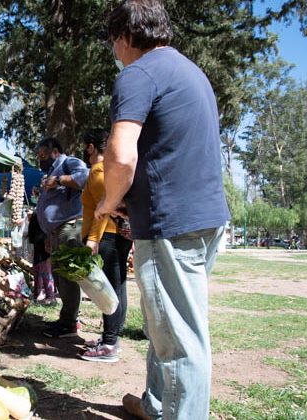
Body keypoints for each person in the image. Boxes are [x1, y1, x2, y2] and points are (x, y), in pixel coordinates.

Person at [95, 1, 230, 418]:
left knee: (179, 337)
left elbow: (120, 155)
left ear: (124, 38)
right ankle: (157, 404)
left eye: (113, 45)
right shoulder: (189, 71)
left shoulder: (138, 73)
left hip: (172, 224)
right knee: (166, 323)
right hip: (204, 217)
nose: (115, 54)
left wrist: (109, 202)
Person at [78, 128, 133, 363]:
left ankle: (109, 343)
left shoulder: (99, 172)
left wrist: (92, 240)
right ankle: (112, 339)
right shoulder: (108, 172)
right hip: (114, 237)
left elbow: (102, 210)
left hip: (106, 237)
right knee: (117, 288)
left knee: (108, 289)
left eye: (85, 146)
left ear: (91, 147)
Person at [34, 137, 89, 338]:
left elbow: (85, 177)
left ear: (54, 151)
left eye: (42, 154)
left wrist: (58, 180)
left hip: (70, 226)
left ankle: (70, 323)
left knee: (68, 276)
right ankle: (67, 319)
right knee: (60, 275)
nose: (40, 158)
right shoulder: (50, 172)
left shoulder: (69, 162)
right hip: (57, 230)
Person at [27, 211, 55, 304]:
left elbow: (31, 232)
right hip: (47, 243)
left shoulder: (36, 213)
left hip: (39, 243)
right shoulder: (49, 212)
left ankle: (41, 294)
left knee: (40, 269)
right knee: (46, 269)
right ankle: (48, 295)